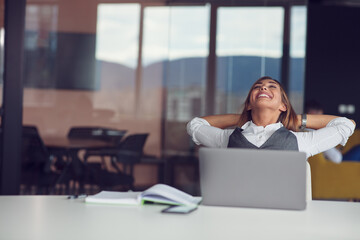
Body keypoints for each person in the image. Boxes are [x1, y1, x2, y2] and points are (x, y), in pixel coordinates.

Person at [187, 76, 356, 159]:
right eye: (258, 87)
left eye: (271, 86)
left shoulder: (300, 141)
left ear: (283, 105)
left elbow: (346, 125)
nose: (264, 88)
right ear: (249, 104)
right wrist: (241, 118)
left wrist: (295, 119)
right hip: (237, 212)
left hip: (282, 216)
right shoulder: (228, 138)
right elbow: (195, 125)